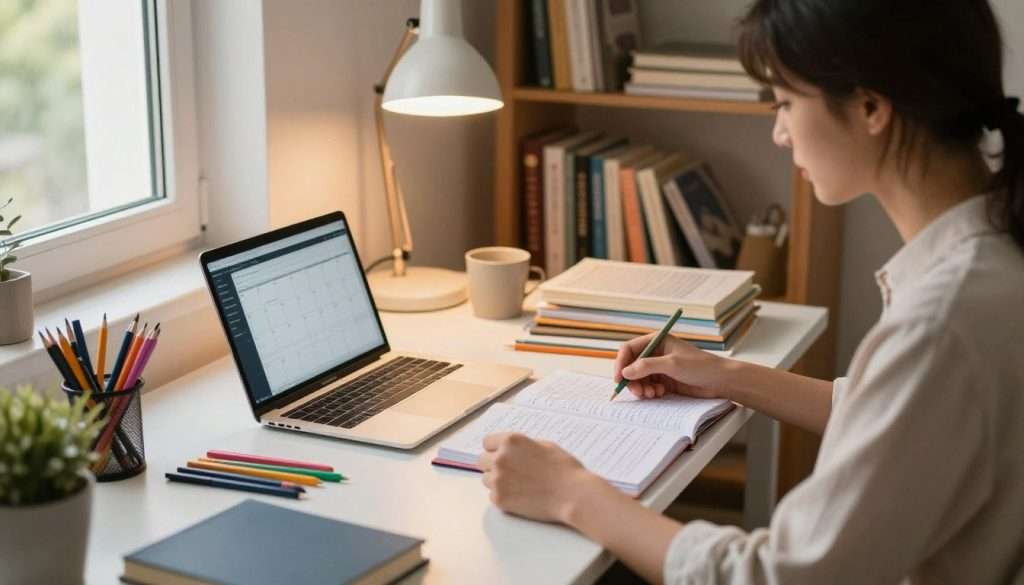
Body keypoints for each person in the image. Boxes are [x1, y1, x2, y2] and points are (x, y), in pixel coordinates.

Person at [478, 0, 1024, 583]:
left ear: (870, 107)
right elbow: (908, 422)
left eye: (786, 103)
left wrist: (571, 492)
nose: (780, 133)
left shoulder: (940, 321)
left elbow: (782, 575)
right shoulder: (991, 261)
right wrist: (728, 377)